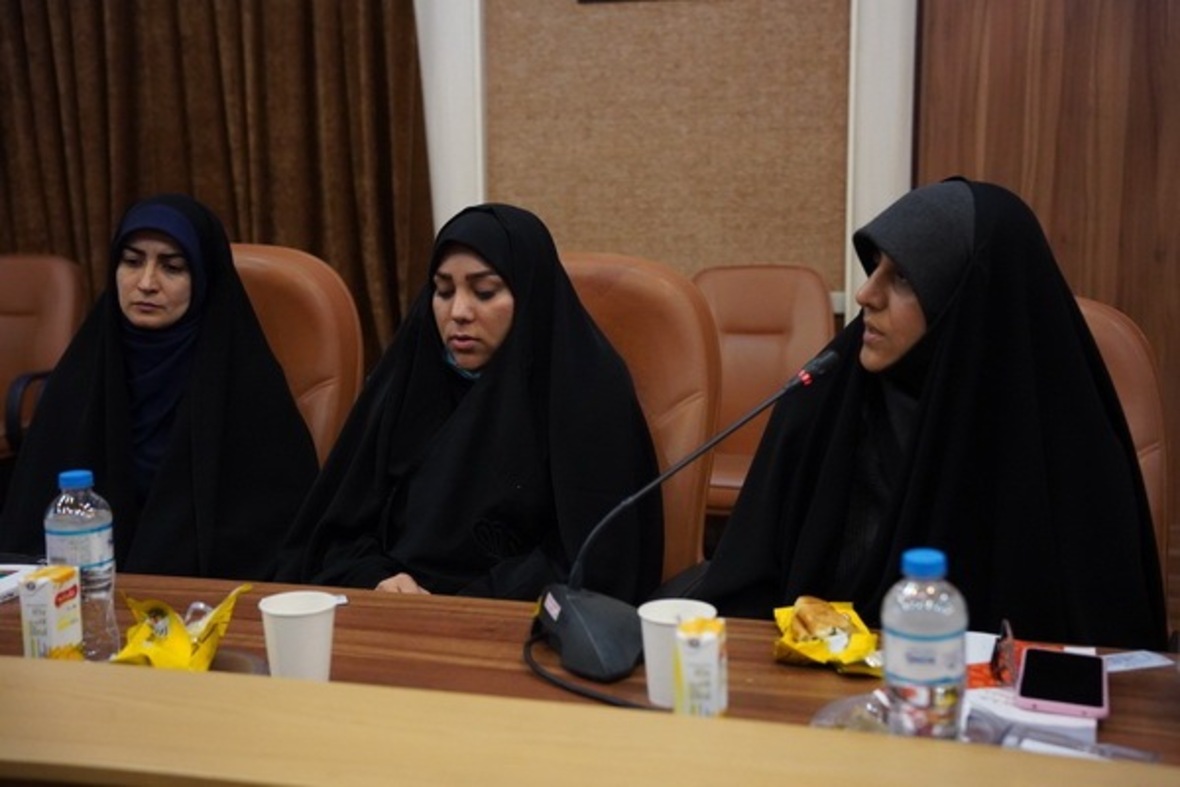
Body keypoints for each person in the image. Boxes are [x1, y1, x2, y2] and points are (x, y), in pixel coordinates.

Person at [683, 178, 1167, 650]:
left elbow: (1104, 644)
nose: (866, 295)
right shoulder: (822, 400)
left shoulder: (1065, 443)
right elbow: (746, 596)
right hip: (816, 685)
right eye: (875, 266)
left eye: (903, 278)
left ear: (965, 301)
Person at [277, 203, 663, 603]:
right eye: (443, 291)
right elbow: (333, 535)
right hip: (397, 612)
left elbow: (597, 560)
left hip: (519, 619)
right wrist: (378, 579)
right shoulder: (407, 381)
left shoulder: (585, 390)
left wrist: (462, 604)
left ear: (529, 293)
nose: (458, 312)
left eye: (485, 292)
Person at [0, 193, 319, 579]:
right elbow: (28, 532)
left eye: (172, 267)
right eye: (132, 262)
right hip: (83, 595)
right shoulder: (81, 378)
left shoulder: (249, 388)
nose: (146, 283)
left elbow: (275, 536)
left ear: (203, 279)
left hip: (206, 598)